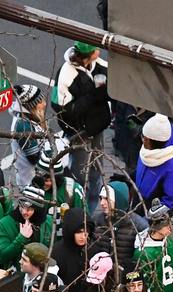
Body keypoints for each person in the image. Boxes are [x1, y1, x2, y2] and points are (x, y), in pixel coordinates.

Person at [51, 42, 110, 203]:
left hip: (97, 127)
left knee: (97, 169)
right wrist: (92, 97)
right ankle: (77, 204)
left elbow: (112, 90)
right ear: (90, 54)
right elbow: (61, 107)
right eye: (96, 48)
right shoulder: (66, 74)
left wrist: (106, 93)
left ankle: (91, 206)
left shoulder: (100, 66)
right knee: (80, 172)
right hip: (78, 133)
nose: (99, 50)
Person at [134, 201, 173, 292]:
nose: (171, 228)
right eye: (167, 225)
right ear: (156, 226)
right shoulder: (144, 253)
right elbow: (144, 286)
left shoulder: (171, 238)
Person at [0, 184, 55, 270]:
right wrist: (21, 238)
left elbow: (53, 249)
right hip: (17, 275)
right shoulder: (5, 223)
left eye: (29, 209)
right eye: (22, 206)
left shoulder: (48, 222)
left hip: (42, 272)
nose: (24, 212)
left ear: (37, 210)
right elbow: (3, 255)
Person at [93, 179, 146, 273]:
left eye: (106, 199)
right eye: (101, 198)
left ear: (119, 200)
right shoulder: (96, 221)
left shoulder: (138, 226)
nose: (102, 203)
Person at [9, 83, 48, 189]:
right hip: (31, 183)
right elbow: (35, 158)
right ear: (31, 106)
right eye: (40, 102)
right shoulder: (23, 126)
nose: (44, 104)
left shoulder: (27, 118)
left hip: (34, 178)